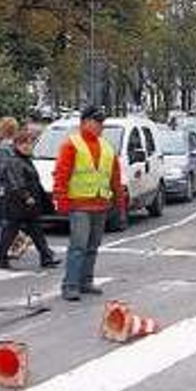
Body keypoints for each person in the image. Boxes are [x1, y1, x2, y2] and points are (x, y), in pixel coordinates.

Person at [52, 106, 125, 301]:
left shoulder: (107, 148)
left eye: (102, 123)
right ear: (84, 122)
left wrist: (119, 204)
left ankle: (85, 281)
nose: (100, 126)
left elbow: (115, 178)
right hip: (79, 205)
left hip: (100, 205)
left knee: (92, 246)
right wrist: (61, 200)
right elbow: (61, 174)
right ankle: (70, 285)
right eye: (97, 122)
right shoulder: (71, 145)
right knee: (78, 246)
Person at [0, 127, 60, 270]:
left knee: (35, 231)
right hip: (18, 204)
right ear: (17, 145)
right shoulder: (15, 161)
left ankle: (46, 257)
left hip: (26, 204)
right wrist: (27, 197)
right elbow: (16, 182)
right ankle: (0, 258)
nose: (28, 147)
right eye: (25, 144)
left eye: (30, 144)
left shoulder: (24, 159)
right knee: (10, 232)